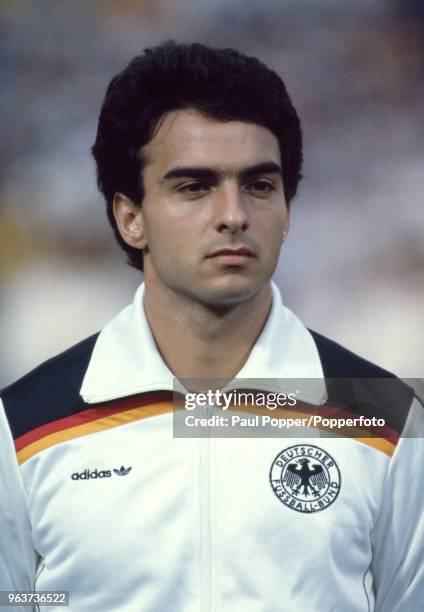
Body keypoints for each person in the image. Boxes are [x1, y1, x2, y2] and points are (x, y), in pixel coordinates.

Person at [0, 41, 422, 612]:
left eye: (259, 185)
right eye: (194, 187)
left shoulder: (387, 420)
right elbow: (13, 598)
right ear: (130, 217)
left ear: (288, 210)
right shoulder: (22, 429)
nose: (233, 215)